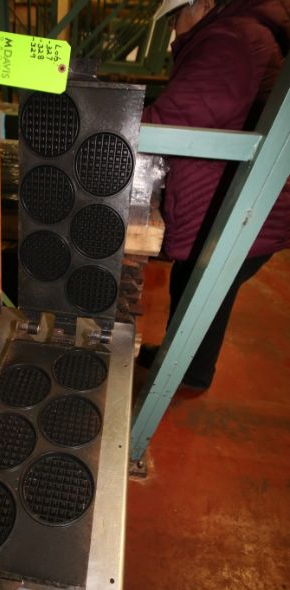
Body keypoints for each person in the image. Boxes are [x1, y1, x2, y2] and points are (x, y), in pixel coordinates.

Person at [139, 0, 290, 389]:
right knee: (204, 285)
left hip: (243, 208)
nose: (173, 29)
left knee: (199, 283)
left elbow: (178, 118)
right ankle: (190, 367)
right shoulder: (240, 33)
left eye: (175, 17)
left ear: (203, 3)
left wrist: (113, 124)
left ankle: (183, 373)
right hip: (245, 202)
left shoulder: (229, 40)